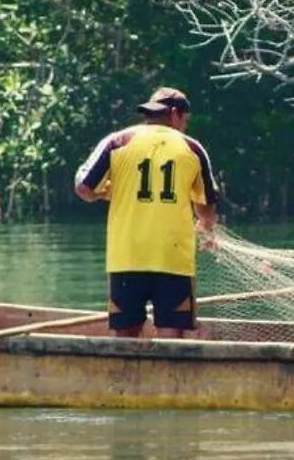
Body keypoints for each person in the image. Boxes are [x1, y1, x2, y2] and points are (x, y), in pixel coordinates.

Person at [74, 87, 219, 339]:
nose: (184, 125)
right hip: (173, 258)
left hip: (127, 257)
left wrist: (102, 193)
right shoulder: (192, 149)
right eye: (185, 120)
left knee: (125, 332)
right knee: (172, 334)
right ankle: (167, 377)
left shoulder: (117, 141)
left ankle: (124, 377)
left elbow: (83, 186)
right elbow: (206, 201)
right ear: (175, 114)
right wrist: (205, 225)